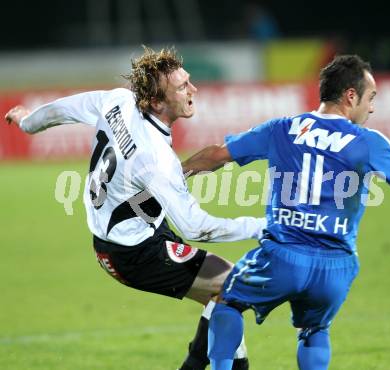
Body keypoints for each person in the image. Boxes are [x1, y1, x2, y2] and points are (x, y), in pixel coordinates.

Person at [5, 47, 263, 370]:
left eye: (188, 81)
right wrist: (262, 227)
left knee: (224, 296)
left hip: (127, 223)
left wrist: (28, 123)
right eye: (182, 87)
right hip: (135, 252)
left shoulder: (120, 100)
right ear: (156, 102)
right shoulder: (154, 158)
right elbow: (197, 227)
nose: (193, 90)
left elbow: (65, 109)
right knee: (233, 286)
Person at [181, 54, 390, 370]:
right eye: (371, 97)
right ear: (351, 95)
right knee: (315, 328)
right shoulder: (370, 141)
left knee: (227, 301)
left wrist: (179, 170)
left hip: (283, 258)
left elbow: (218, 155)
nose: (372, 107)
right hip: (336, 269)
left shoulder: (283, 128)